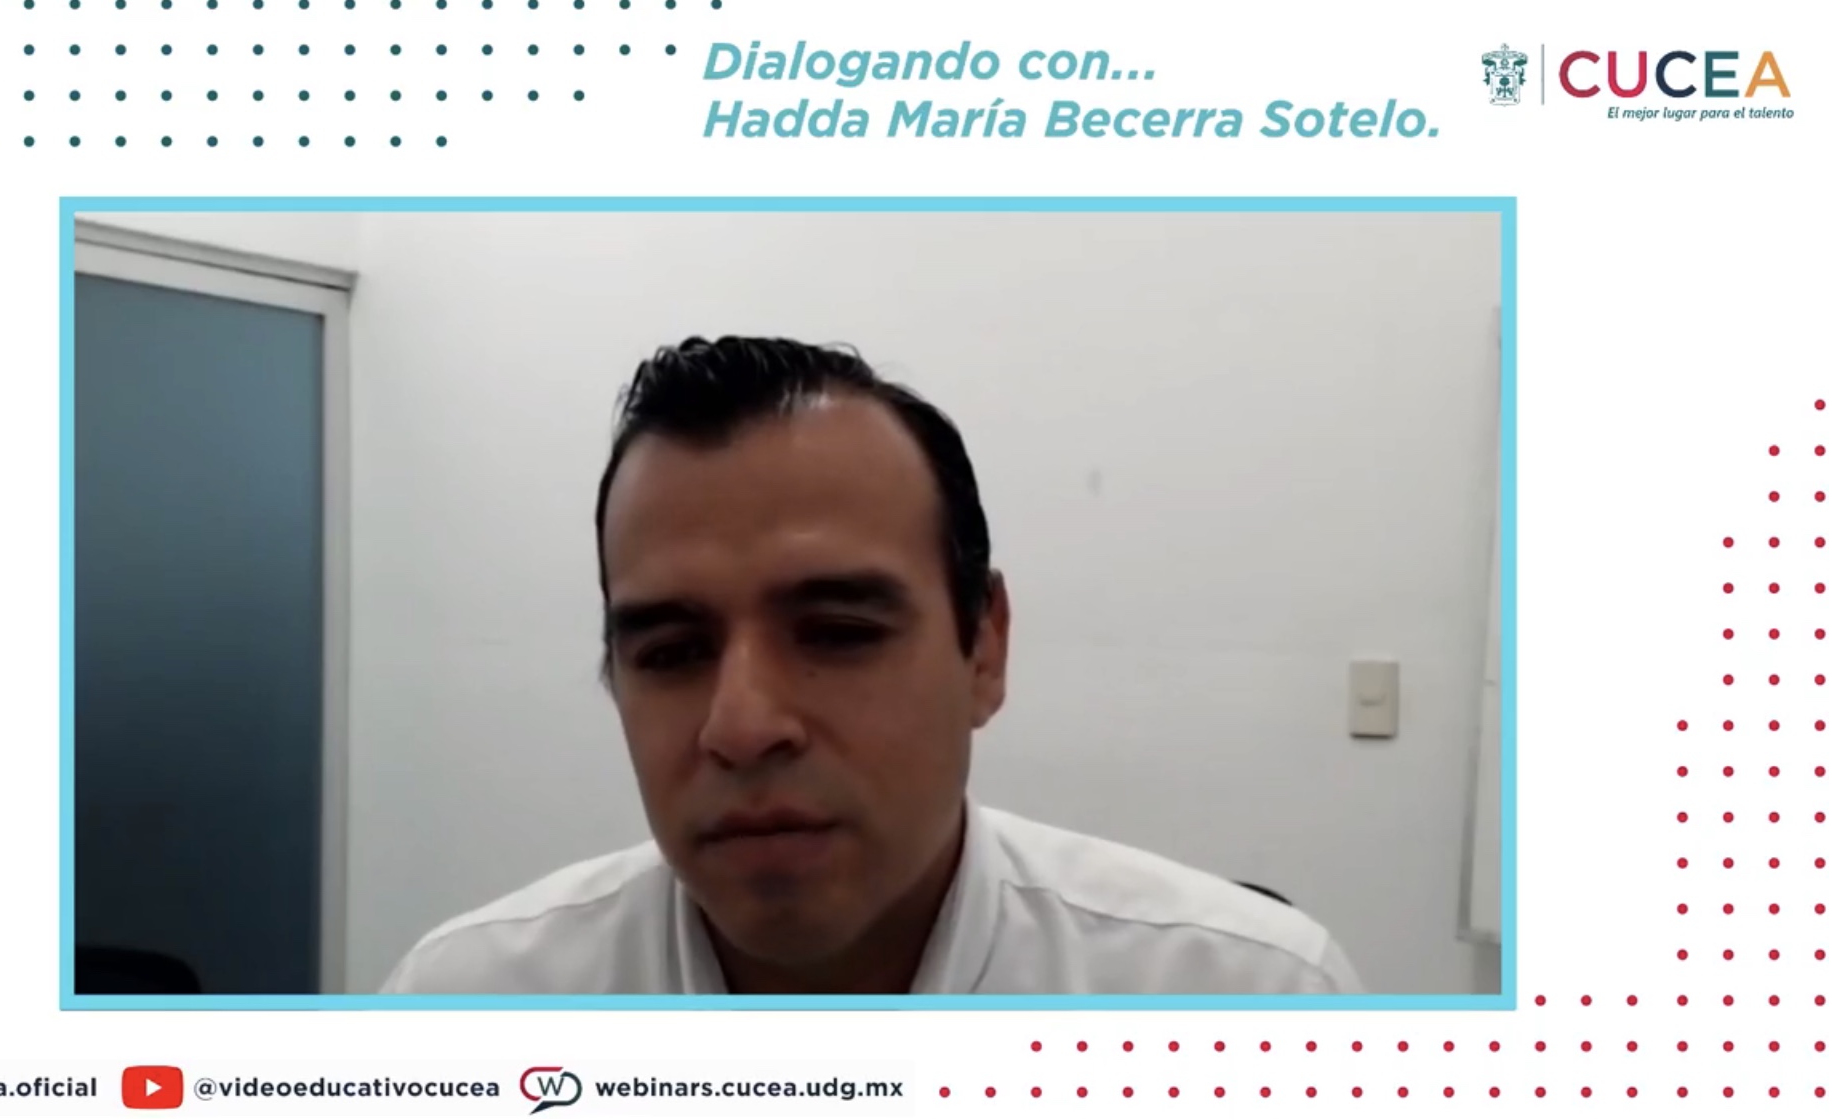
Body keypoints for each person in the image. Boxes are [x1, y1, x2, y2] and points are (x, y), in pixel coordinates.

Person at [381, 336, 1364, 995]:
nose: (742, 725)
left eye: (838, 632)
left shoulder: (1246, 1007)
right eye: (671, 651)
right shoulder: (464, 1011)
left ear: (984, 648)